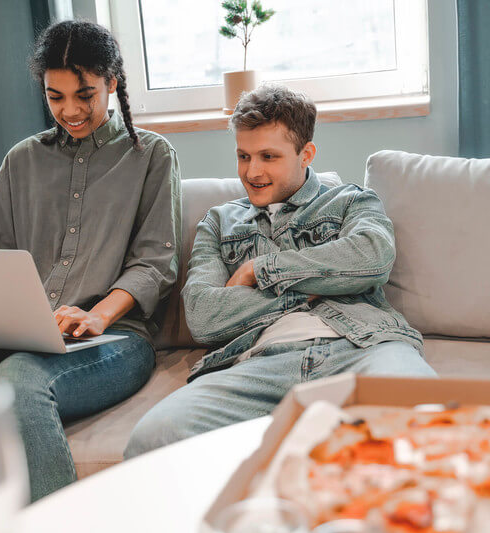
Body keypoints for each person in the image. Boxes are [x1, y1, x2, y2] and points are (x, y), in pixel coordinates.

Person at [0, 20, 181, 502]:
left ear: (113, 82)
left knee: (18, 382)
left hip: (115, 337)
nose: (71, 110)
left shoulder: (151, 155)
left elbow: (156, 264)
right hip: (20, 333)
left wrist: (95, 314)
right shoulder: (20, 161)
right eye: (55, 96)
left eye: (85, 94)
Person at [124, 84, 435, 458]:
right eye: (243, 156)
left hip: (362, 346)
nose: (252, 171)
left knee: (424, 422)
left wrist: (260, 269)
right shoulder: (220, 222)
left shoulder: (351, 201)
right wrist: (320, 281)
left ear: (306, 154)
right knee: (153, 438)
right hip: (262, 361)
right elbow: (204, 316)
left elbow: (372, 257)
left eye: (268, 156)